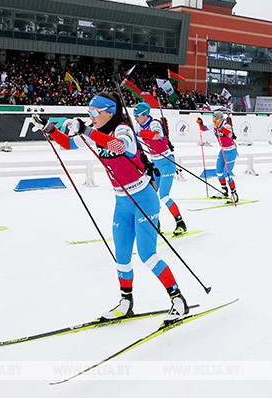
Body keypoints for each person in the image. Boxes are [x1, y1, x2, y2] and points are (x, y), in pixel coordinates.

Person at [35, 92, 188, 323]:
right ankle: (126, 302)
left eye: (95, 112)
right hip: (122, 202)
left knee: (148, 255)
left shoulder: (122, 129)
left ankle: (178, 300)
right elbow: (67, 143)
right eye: (89, 113)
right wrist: (50, 128)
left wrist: (86, 129)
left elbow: (118, 147)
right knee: (122, 256)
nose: (91, 116)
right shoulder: (96, 134)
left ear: (110, 111)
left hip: (144, 198)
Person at [133, 102, 187, 235]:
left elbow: (157, 135)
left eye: (137, 115)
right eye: (134, 115)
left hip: (167, 163)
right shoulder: (138, 124)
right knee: (150, 195)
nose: (135, 118)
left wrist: (139, 133)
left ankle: (181, 223)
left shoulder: (154, 123)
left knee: (164, 196)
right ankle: (156, 223)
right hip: (155, 164)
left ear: (145, 114)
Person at [197, 110, 238, 202]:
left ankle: (234, 193)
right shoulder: (214, 124)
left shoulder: (226, 125)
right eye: (213, 119)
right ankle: (224, 191)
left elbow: (229, 134)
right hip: (223, 151)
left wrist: (220, 126)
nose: (214, 121)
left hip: (231, 152)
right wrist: (200, 124)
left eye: (215, 119)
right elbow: (204, 129)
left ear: (220, 119)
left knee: (227, 174)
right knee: (219, 172)